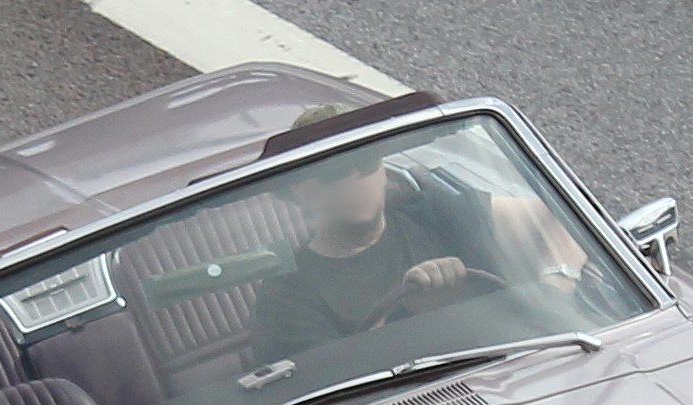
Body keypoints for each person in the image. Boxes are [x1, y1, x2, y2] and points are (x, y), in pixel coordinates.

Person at [250, 104, 589, 364]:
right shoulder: (287, 298)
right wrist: (411, 317)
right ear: (299, 189)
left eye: (367, 160)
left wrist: (555, 290)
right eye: (336, 170)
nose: (358, 179)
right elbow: (333, 397)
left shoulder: (434, 213)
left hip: (527, 371)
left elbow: (554, 218)